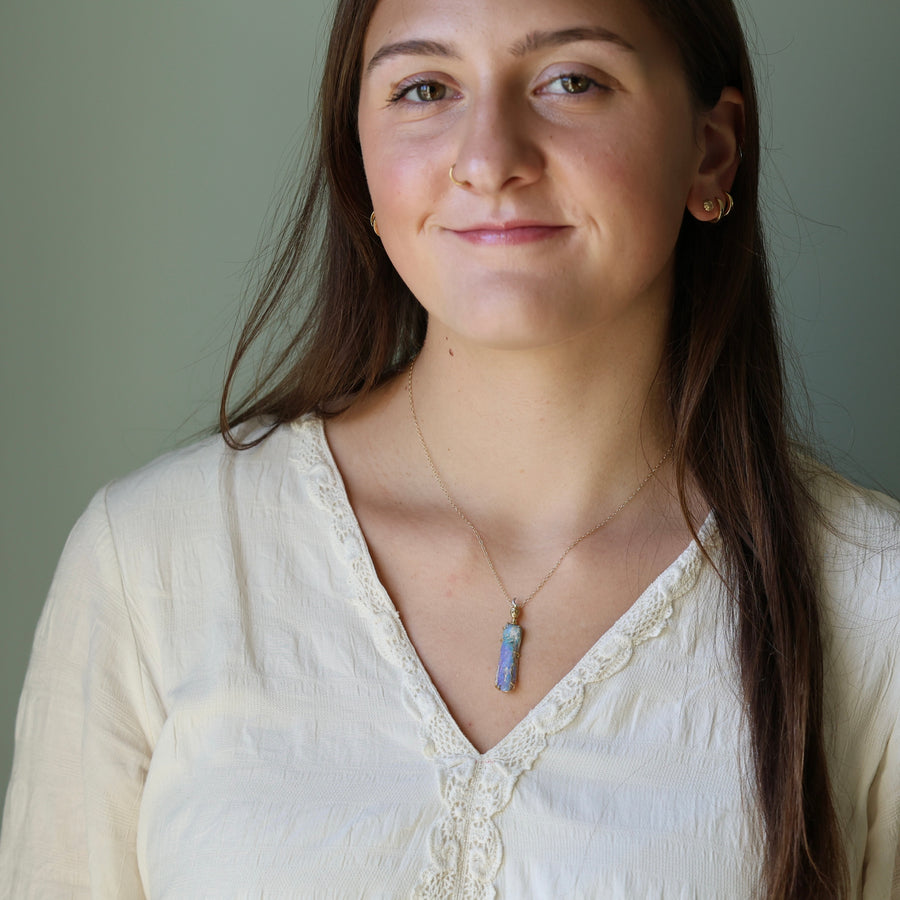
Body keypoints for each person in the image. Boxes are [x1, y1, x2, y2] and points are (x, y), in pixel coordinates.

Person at [1, 0, 898, 896]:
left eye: (572, 81)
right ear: (360, 163)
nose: (489, 160)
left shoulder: (875, 606)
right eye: (425, 88)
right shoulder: (153, 560)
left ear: (712, 149)